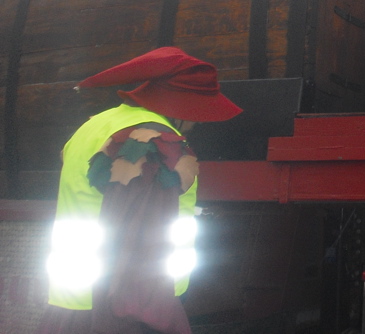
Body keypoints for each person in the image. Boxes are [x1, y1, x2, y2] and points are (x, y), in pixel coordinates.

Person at [39, 47, 242, 334]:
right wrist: (151, 316)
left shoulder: (95, 125)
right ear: (182, 105)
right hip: (121, 310)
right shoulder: (154, 142)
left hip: (73, 301)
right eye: (198, 111)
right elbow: (139, 238)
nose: (197, 122)